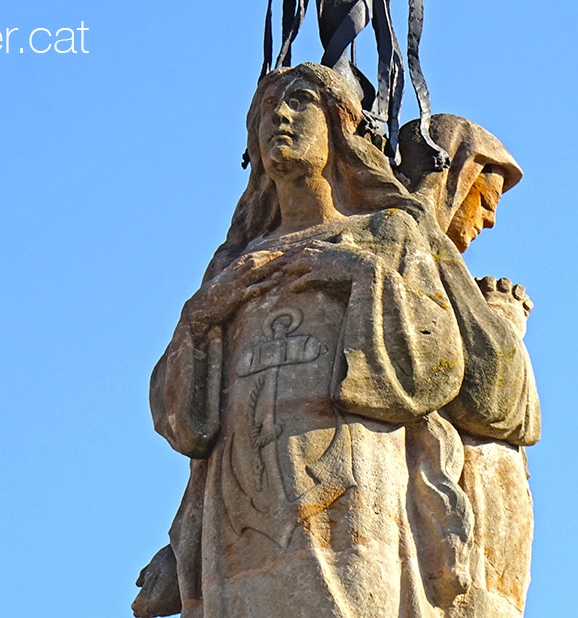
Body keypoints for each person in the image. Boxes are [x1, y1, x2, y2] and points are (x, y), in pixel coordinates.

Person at [135, 63, 540, 618]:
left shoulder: (388, 233)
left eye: (300, 101)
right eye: (265, 110)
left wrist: (357, 273)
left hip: (352, 480)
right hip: (239, 504)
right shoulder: (233, 262)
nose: (279, 116)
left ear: (341, 126)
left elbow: (435, 366)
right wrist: (202, 318)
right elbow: (182, 422)